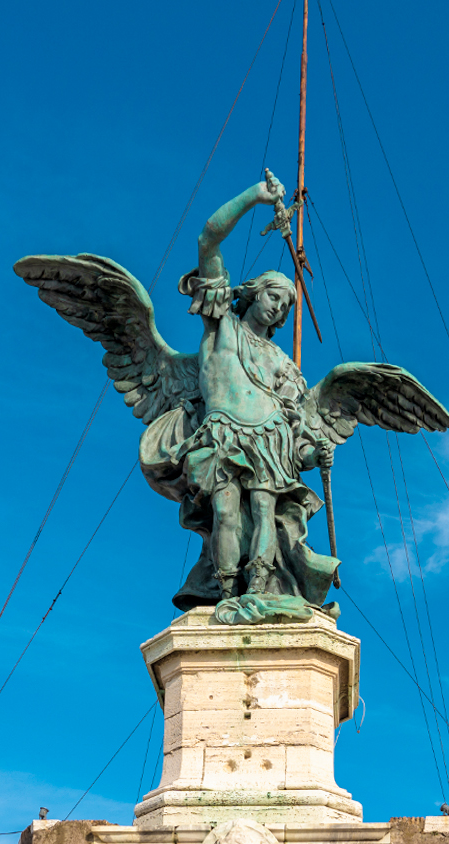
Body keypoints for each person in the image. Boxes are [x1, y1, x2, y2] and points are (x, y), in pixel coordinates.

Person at [140, 170, 339, 606]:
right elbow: (208, 239)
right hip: (224, 433)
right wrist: (256, 196)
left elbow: (297, 442)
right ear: (254, 293)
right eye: (274, 296)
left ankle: (262, 589)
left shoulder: (282, 364)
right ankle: (228, 595)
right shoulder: (220, 324)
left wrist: (315, 453)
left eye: (286, 304)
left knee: (267, 512)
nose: (279, 307)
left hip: (269, 440)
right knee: (226, 513)